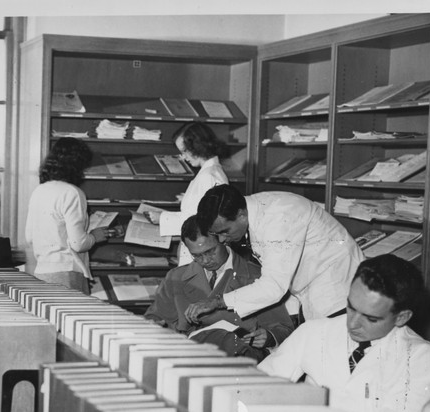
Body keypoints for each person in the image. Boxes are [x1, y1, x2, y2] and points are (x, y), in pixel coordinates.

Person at [258, 254, 430, 412]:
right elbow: (258, 384)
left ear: (401, 317)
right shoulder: (315, 331)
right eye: (351, 307)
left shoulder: (418, 357)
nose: (352, 324)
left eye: (371, 319)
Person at [186, 184, 364, 325]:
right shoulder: (253, 210)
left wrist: (217, 302)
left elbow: (273, 286)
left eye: (225, 231)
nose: (223, 239)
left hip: (337, 290)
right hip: (314, 288)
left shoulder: (279, 218)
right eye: (217, 234)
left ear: (240, 215)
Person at [144, 216, 293, 361]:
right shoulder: (176, 277)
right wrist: (156, 328)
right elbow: (155, 319)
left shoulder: (257, 277)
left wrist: (269, 336)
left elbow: (283, 329)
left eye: (210, 252)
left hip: (239, 357)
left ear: (224, 240)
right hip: (187, 355)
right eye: (196, 256)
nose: (205, 261)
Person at [24, 137, 113, 295]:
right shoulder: (72, 193)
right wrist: (94, 236)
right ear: (76, 165)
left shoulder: (39, 191)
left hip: (42, 272)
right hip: (67, 273)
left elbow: (29, 237)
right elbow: (78, 244)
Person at [142, 122, 229, 265]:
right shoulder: (209, 172)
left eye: (185, 151)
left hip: (204, 251)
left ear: (198, 146)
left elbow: (204, 222)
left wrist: (163, 218)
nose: (183, 157)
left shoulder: (209, 175)